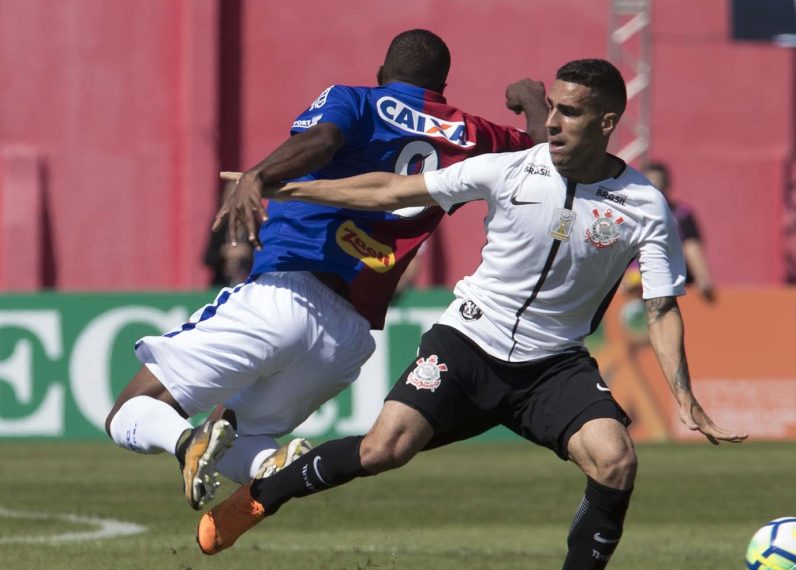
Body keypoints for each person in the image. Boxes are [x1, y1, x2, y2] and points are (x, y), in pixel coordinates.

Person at [201, 58, 748, 570]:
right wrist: (279, 183)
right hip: (467, 345)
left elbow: (665, 308)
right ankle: (261, 496)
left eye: (571, 112)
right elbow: (389, 190)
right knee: (383, 450)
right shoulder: (507, 170)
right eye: (554, 109)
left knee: (616, 462)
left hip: (553, 365)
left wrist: (686, 399)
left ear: (607, 121)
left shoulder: (645, 205)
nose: (555, 123)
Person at [103, 29, 547, 511]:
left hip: (286, 291)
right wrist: (533, 102)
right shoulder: (478, 136)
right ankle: (271, 465)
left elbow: (326, 137)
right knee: (239, 435)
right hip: (348, 338)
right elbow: (547, 161)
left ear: (382, 76)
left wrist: (259, 175)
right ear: (443, 86)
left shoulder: (355, 100)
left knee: (129, 410)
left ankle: (186, 445)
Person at [643, 162, 716, 302]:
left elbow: (691, 245)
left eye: (658, 184)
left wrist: (703, 277)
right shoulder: (630, 215)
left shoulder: (681, 214)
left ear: (667, 185)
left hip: (669, 278)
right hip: (636, 281)